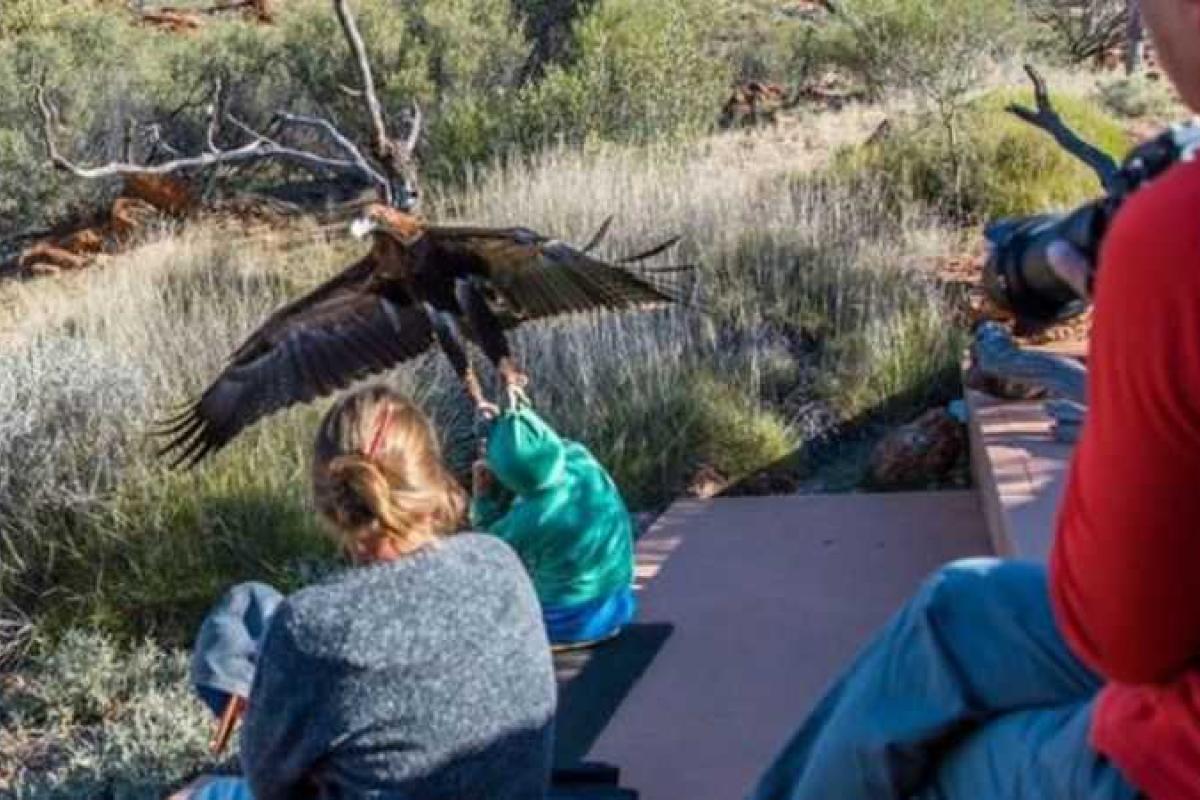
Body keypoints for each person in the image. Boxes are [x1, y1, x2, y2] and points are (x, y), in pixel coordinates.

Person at [750, 2, 1200, 797]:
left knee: (932, 765)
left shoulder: (1178, 232)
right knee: (957, 609)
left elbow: (1122, 637)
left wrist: (1133, 310)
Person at [184, 385, 556, 800]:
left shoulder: (309, 627)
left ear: (329, 500)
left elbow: (268, 784)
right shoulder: (499, 561)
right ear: (431, 475)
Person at [470, 398, 637, 648]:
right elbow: (535, 449)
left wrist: (482, 497)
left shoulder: (533, 517)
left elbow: (488, 548)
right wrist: (506, 427)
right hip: (620, 605)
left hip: (567, 622)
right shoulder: (579, 456)